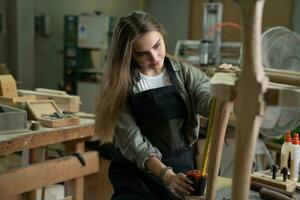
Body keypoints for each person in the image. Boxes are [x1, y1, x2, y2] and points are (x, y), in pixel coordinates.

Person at [95, 11, 212, 200]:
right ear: (129, 54)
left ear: (162, 36)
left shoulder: (183, 73)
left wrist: (228, 93)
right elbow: (134, 142)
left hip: (180, 171)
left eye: (157, 46)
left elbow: (206, 98)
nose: (155, 57)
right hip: (136, 176)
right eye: (142, 54)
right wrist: (167, 175)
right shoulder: (119, 86)